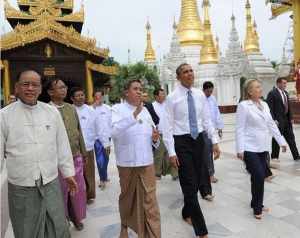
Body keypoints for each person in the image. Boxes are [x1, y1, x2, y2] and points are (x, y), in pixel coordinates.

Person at [1, 70, 77, 238]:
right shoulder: (4, 116)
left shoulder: (51, 112)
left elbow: (62, 145)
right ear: (17, 88)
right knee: (26, 229)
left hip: (50, 181)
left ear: (41, 89)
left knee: (57, 227)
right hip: (21, 185)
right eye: (25, 84)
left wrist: (68, 173)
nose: (30, 88)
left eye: (35, 85)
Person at [163, 63, 221, 238]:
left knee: (196, 182)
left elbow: (206, 120)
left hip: (199, 141)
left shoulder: (199, 95)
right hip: (182, 142)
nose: (189, 74)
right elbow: (167, 127)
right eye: (185, 72)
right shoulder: (172, 98)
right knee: (189, 183)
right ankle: (201, 230)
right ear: (178, 77)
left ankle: (186, 212)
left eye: (191, 71)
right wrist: (171, 152)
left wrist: (215, 142)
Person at [112, 79, 161, 238]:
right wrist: (134, 115)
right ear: (126, 92)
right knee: (127, 200)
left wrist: (155, 139)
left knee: (151, 202)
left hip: (146, 162)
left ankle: (153, 234)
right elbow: (113, 132)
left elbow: (154, 136)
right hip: (127, 164)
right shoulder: (117, 109)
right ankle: (125, 226)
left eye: (141, 89)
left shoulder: (146, 110)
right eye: (135, 88)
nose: (139, 91)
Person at [236, 79, 287, 219]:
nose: (260, 89)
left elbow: (271, 124)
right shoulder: (243, 106)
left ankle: (255, 202)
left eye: (260, 86)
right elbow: (239, 128)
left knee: (256, 177)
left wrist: (281, 141)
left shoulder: (264, 104)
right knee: (259, 175)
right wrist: (240, 149)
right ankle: (257, 207)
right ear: (250, 91)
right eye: (257, 87)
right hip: (249, 147)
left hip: (263, 147)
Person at [46, 78, 87, 230]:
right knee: (61, 191)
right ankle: (62, 220)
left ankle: (77, 217)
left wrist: (83, 152)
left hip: (75, 156)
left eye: (64, 87)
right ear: (50, 92)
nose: (64, 90)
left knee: (78, 190)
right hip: (56, 160)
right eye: (59, 87)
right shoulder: (46, 110)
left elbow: (79, 131)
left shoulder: (71, 108)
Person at [71, 87, 99, 204]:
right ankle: (77, 195)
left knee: (89, 172)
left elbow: (96, 127)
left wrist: (93, 141)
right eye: (77, 95)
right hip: (74, 149)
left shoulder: (90, 110)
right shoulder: (70, 110)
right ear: (72, 98)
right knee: (76, 173)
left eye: (82, 95)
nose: (80, 97)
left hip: (88, 147)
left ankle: (89, 195)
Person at [266, 77, 300, 162]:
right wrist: (273, 120)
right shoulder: (272, 93)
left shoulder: (286, 93)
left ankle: (296, 156)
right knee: (277, 138)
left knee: (291, 138)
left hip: (287, 121)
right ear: (278, 83)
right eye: (284, 83)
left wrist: (291, 117)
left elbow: (288, 107)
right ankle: (274, 156)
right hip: (278, 121)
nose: (285, 85)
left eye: (286, 83)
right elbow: (270, 108)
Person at [152, 88, 178, 180]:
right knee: (158, 154)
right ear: (156, 96)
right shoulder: (152, 106)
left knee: (171, 153)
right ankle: (157, 173)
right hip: (159, 134)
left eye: (164, 94)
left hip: (169, 133)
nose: (164, 96)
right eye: (162, 94)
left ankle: (175, 174)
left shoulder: (168, 105)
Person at [202, 81, 224, 183]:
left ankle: (210, 173)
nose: (210, 93)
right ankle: (209, 174)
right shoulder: (200, 99)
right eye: (208, 91)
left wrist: (220, 127)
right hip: (203, 130)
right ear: (204, 90)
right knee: (207, 152)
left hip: (212, 129)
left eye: (211, 91)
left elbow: (217, 113)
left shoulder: (213, 99)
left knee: (209, 152)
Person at [92, 90, 111, 189]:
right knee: (100, 160)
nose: (98, 99)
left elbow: (111, 123)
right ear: (94, 98)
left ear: (103, 97)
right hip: (97, 139)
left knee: (106, 158)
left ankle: (105, 175)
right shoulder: (91, 109)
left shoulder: (108, 108)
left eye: (100, 96)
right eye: (96, 97)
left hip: (107, 137)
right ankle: (102, 180)